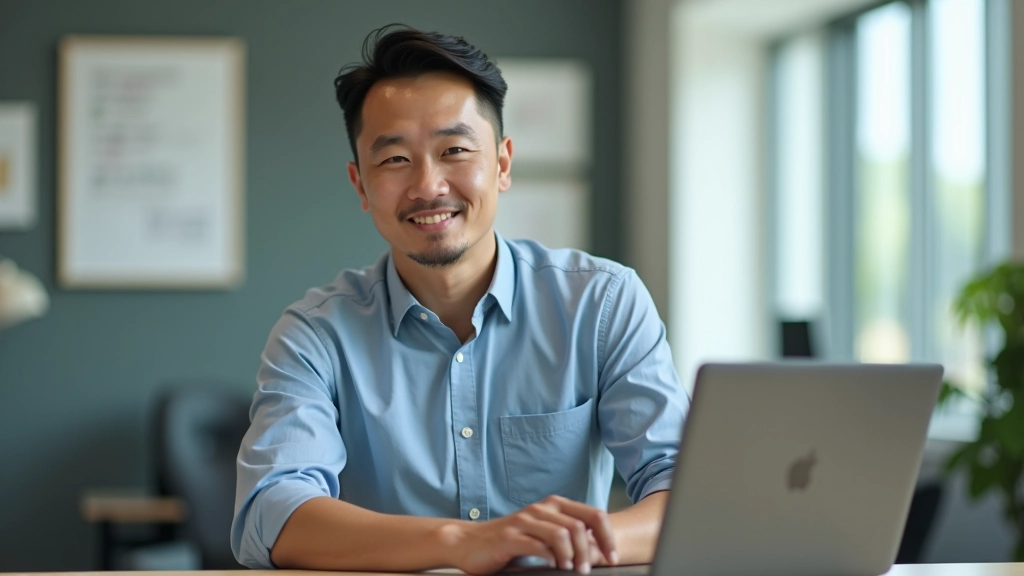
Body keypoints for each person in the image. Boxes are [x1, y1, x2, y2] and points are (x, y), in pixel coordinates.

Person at [231, 24, 689, 575]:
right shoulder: (315, 336)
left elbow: (683, 492)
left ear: (502, 164)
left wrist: (560, 546)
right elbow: (274, 512)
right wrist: (461, 543)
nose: (428, 186)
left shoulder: (602, 303)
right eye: (395, 159)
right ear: (360, 184)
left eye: (454, 150)